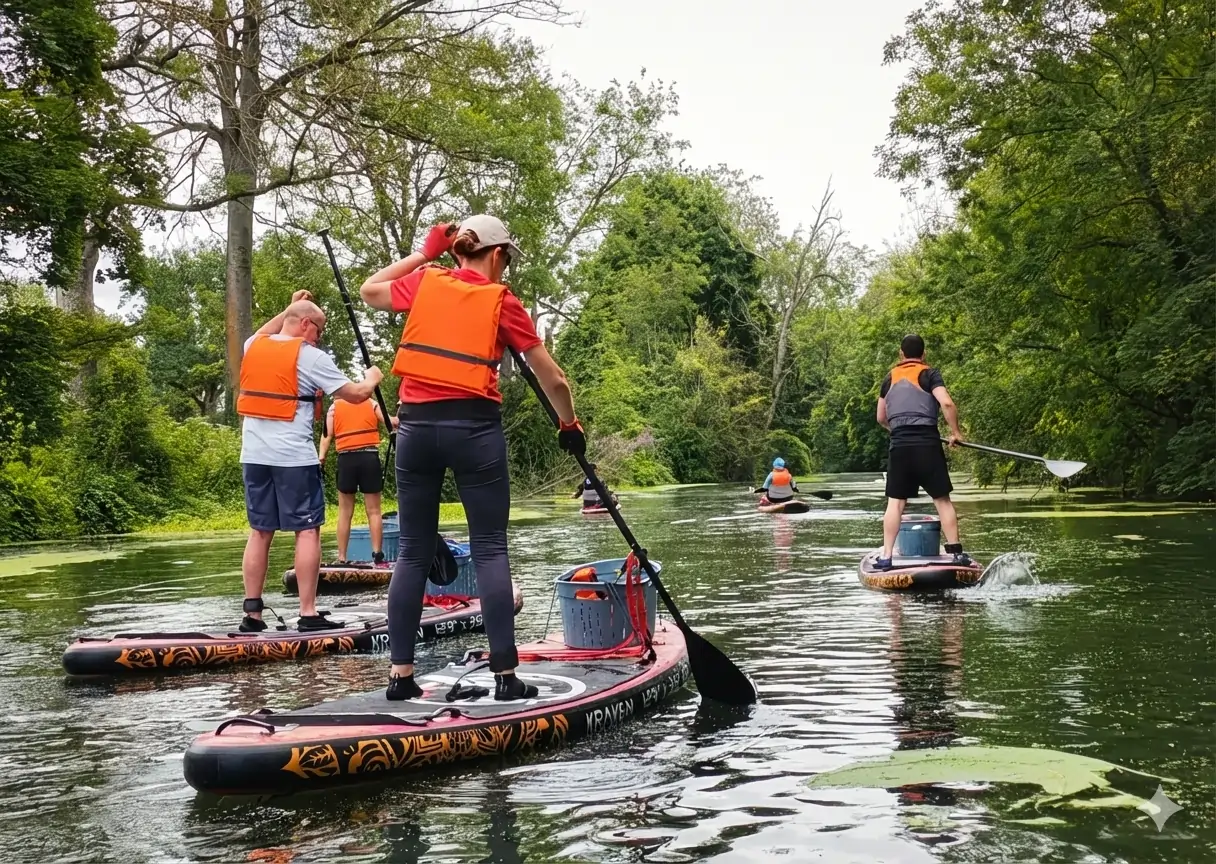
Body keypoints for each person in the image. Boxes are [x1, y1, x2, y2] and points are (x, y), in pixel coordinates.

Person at [360, 214, 585, 701]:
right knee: (489, 547)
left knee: (412, 552)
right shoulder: (502, 301)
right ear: (499, 254)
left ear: (456, 250)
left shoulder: (425, 281)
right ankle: (506, 678)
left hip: (416, 430)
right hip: (475, 431)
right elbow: (556, 382)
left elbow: (370, 289)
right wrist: (569, 425)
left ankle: (401, 678)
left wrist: (423, 253)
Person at [237, 290, 384, 632]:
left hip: (254, 457)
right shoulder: (311, 357)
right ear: (305, 325)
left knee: (260, 532)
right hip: (293, 459)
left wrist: (289, 306)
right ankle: (307, 613)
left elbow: (266, 332)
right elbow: (357, 394)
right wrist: (373, 378)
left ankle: (252, 616)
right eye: (318, 329)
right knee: (307, 530)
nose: (319, 337)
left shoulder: (252, 346)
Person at [875, 334, 968, 569]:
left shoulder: (889, 378)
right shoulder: (929, 374)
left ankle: (886, 557)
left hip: (899, 446)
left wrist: (896, 430)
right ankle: (956, 553)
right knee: (942, 500)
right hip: (928, 443)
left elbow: (881, 417)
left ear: (901, 354)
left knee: (895, 503)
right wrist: (955, 433)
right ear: (923, 354)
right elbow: (946, 403)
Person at [318, 397, 399, 564]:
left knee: (345, 512)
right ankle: (377, 553)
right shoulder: (371, 403)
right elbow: (391, 422)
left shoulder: (334, 407)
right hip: (369, 457)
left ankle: (341, 558)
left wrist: (321, 459)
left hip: (346, 460)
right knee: (374, 511)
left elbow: (326, 436)